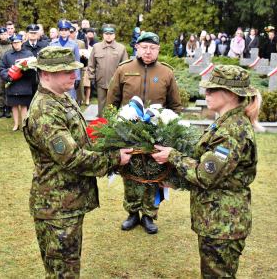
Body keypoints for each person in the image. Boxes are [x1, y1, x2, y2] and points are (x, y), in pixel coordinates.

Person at [22, 46, 133, 278]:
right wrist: (114, 159)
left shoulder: (63, 98)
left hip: (69, 201)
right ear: (45, 74)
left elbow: (82, 140)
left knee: (70, 265)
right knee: (63, 272)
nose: (74, 76)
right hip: (56, 206)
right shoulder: (44, 110)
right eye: (66, 72)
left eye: (74, 70)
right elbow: (71, 157)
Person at [152, 65, 261, 278]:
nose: (206, 94)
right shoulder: (225, 122)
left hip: (223, 223)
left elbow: (204, 174)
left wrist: (172, 156)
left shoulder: (231, 131)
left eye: (212, 90)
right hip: (217, 218)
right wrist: (172, 179)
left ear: (230, 94)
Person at [107, 32, 183, 234]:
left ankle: (149, 214)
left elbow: (175, 105)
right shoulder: (124, 70)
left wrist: (172, 131)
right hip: (128, 133)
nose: (148, 51)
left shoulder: (166, 73)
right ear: (137, 48)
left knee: (154, 174)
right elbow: (111, 102)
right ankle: (132, 213)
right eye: (144, 47)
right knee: (130, 174)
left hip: (156, 134)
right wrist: (112, 129)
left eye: (153, 48)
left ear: (158, 50)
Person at [87, 24, 128, 117]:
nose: (108, 35)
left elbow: (125, 66)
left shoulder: (121, 48)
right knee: (101, 104)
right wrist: (91, 78)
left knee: (114, 104)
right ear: (103, 35)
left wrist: (124, 80)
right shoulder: (96, 47)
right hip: (101, 81)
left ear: (114, 35)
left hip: (116, 82)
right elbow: (91, 64)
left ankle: (113, 125)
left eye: (111, 33)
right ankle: (102, 123)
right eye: (106, 33)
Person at [0, 34, 36, 131]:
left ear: (21, 42)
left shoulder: (28, 54)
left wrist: (25, 71)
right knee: (14, 105)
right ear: (12, 43)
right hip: (12, 83)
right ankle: (16, 124)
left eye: (18, 42)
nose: (16, 44)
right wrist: (9, 76)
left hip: (24, 82)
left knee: (24, 105)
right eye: (14, 43)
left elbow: (34, 68)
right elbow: (2, 69)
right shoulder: (7, 55)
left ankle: (24, 124)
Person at [50, 20, 81, 100]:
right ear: (59, 31)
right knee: (57, 99)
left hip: (69, 75)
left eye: (66, 30)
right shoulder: (52, 44)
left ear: (69, 31)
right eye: (61, 30)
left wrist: (77, 78)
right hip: (56, 75)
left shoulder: (74, 44)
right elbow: (50, 61)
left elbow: (77, 62)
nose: (64, 32)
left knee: (70, 99)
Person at [0, 27, 13, 119]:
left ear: (7, 35)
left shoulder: (11, 45)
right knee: (0, 91)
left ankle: (8, 109)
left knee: (8, 91)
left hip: (9, 71)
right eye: (2, 34)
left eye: (5, 34)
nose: (4, 36)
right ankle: (1, 109)